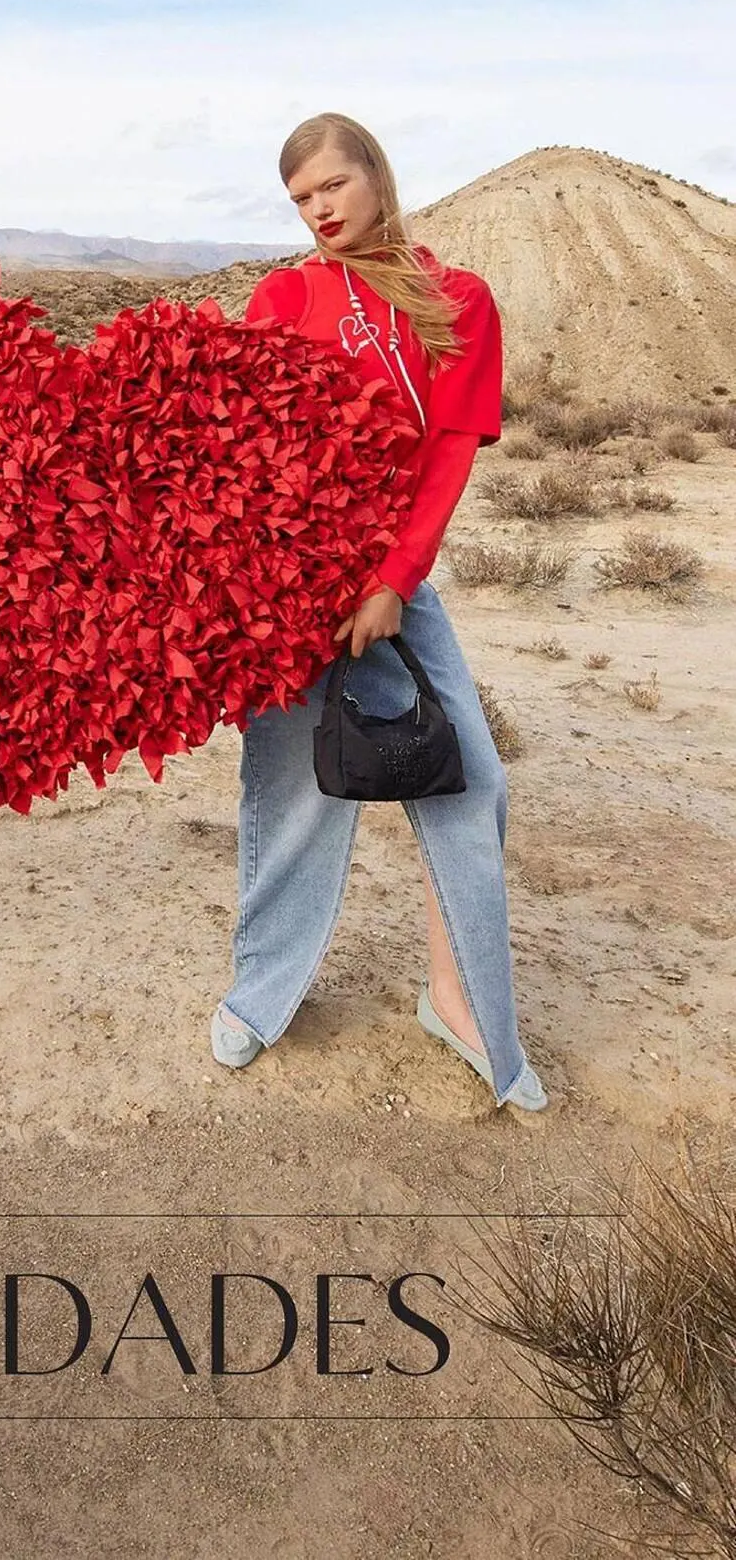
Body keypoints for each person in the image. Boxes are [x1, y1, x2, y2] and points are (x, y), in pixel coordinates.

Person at [211, 112, 547, 1112]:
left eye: (331, 186)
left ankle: (458, 998)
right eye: (300, 197)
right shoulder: (283, 296)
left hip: (395, 586)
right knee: (289, 791)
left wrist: (395, 579)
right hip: (287, 592)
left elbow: (445, 455)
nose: (319, 210)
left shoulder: (457, 301)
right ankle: (258, 994)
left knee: (471, 779)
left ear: (375, 177)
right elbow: (225, 437)